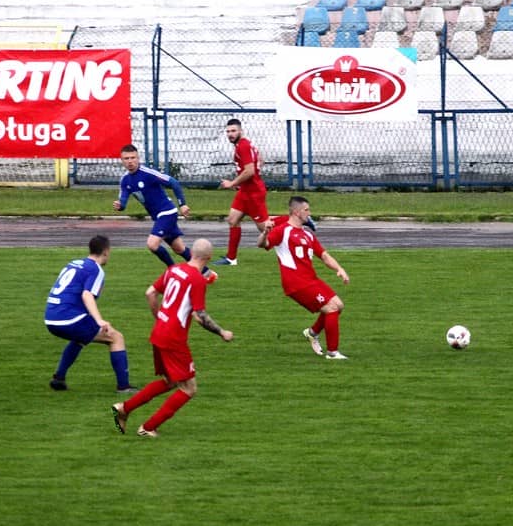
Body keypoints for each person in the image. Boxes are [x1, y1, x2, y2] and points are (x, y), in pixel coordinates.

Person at [112, 238, 233, 438]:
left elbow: (150, 293)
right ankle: (148, 428)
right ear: (209, 258)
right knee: (189, 388)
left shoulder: (173, 269)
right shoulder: (197, 279)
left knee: (169, 381)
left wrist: (160, 317)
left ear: (191, 253)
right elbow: (200, 316)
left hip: (159, 331)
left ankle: (124, 408)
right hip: (173, 338)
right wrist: (222, 332)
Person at [258, 196, 350, 360]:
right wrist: (265, 233)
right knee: (331, 308)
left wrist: (339, 269)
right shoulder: (282, 231)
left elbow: (324, 255)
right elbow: (262, 244)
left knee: (339, 305)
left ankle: (312, 333)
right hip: (296, 283)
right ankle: (332, 353)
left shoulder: (307, 234)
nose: (309, 213)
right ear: (296, 212)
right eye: (306, 210)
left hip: (310, 279)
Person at [44, 235, 137, 393]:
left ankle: (59, 378)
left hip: (51, 318)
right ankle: (124, 386)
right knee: (116, 337)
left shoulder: (74, 263)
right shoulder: (96, 269)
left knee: (81, 337)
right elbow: (87, 295)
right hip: (68, 318)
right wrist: (99, 320)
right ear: (106, 251)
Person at [113, 144, 216, 282]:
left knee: (152, 244)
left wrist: (182, 204)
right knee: (179, 249)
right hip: (159, 217)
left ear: (138, 158)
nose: (130, 161)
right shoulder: (125, 180)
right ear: (122, 160)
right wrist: (120, 206)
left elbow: (174, 183)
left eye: (133, 157)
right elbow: (123, 201)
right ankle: (208, 273)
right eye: (126, 158)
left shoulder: (148, 173)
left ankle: (173, 271)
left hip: (167, 212)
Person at [213, 118, 272, 266]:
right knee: (233, 220)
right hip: (245, 191)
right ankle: (231, 258)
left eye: (233, 131)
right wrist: (241, 182)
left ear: (241, 131)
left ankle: (298, 219)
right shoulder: (245, 144)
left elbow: (250, 171)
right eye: (228, 131)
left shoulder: (243, 146)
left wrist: (232, 183)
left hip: (253, 193)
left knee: (264, 227)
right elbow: (260, 160)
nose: (230, 134)